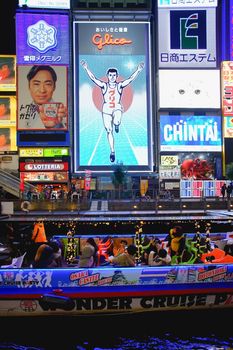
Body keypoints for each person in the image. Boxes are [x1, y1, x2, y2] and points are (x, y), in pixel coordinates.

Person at [80, 60, 144, 163]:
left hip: (117, 108)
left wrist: (138, 70)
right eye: (110, 75)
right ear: (108, 76)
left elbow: (130, 79)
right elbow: (93, 78)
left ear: (117, 76)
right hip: (106, 111)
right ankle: (112, 151)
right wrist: (86, 68)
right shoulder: (104, 85)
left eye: (114, 75)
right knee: (109, 131)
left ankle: (117, 124)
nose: (112, 77)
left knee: (117, 121)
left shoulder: (119, 85)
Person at [19, 65, 67, 129]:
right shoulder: (21, 111)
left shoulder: (64, 113)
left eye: (47, 84)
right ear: (29, 86)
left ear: (54, 87)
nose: (42, 90)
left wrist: (56, 126)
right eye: (36, 84)